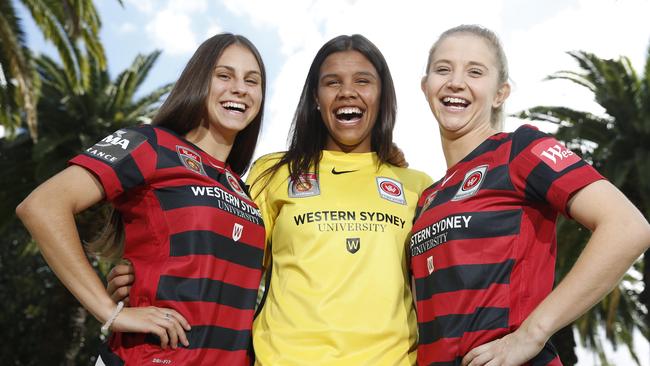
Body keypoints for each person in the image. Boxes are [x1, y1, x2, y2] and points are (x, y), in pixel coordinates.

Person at [109, 34, 432, 365]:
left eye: (363, 81)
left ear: (382, 96)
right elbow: (221, 256)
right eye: (331, 82)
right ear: (316, 99)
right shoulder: (272, 172)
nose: (346, 91)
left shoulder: (419, 187)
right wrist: (144, 277)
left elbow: (448, 285)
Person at [16, 33, 267, 365]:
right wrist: (110, 312)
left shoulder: (242, 188)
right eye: (224, 75)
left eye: (252, 81)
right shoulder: (151, 143)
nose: (239, 88)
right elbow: (42, 206)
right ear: (198, 81)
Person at [410, 24, 650, 366]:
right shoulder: (428, 198)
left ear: (500, 93)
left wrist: (531, 334)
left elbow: (627, 226)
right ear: (426, 86)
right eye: (443, 69)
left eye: (475, 71)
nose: (456, 81)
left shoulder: (519, 150)